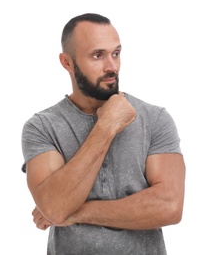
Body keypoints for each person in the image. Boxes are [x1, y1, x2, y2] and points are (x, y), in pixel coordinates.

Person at [21, 13, 186, 255]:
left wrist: (76, 212)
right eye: (97, 55)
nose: (111, 67)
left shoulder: (155, 119)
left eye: (116, 53)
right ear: (67, 62)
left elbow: (169, 207)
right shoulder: (42, 126)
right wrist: (106, 127)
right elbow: (55, 208)